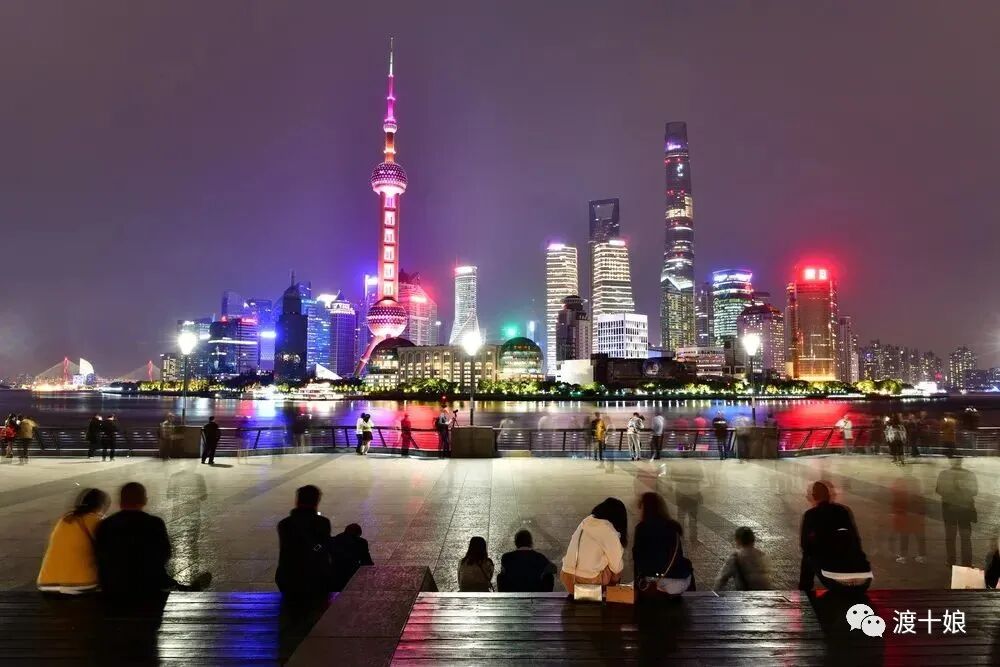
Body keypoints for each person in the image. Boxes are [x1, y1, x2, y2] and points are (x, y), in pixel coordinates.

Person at [96, 482, 210, 597]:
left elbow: (100, 557)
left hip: (114, 590)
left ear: (121, 502)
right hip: (149, 589)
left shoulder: (106, 525)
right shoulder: (154, 523)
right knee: (159, 575)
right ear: (144, 500)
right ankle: (187, 589)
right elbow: (165, 555)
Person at [797, 481, 872, 593]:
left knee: (808, 555)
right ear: (829, 496)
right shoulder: (843, 511)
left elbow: (805, 546)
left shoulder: (811, 515)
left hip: (837, 581)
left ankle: (804, 590)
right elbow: (856, 540)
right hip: (863, 580)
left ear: (813, 497)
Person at [37, 488, 110, 594]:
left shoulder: (65, 519)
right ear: (101, 505)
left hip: (46, 583)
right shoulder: (97, 521)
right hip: (81, 584)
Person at [276, 485, 334, 599]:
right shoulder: (322, 523)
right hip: (317, 577)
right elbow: (324, 548)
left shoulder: (285, 524)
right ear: (316, 501)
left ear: (297, 501)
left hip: (290, 577)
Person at [560, 498, 627, 592]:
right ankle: (610, 595)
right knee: (615, 567)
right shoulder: (609, 530)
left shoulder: (585, 522)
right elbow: (616, 568)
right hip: (589, 582)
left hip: (567, 578)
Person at [633, 492, 693, 597]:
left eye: (640, 507)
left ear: (645, 508)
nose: (638, 511)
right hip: (677, 584)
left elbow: (637, 559)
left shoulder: (641, 528)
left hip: (651, 583)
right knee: (687, 566)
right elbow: (680, 555)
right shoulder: (674, 526)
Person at [935, 458, 978, 567]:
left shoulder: (943, 474)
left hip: (949, 511)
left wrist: (950, 492)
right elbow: (975, 491)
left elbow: (938, 490)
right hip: (965, 511)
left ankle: (951, 561)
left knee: (951, 537)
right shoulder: (969, 474)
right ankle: (966, 563)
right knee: (965, 538)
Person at [889, 467, 927, 564]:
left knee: (904, 534)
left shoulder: (899, 481)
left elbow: (895, 496)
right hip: (915, 511)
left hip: (904, 511)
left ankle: (903, 556)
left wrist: (895, 511)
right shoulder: (916, 481)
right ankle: (922, 556)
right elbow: (920, 495)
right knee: (918, 534)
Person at [329, 523, 374, 592]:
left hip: (336, 572)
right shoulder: (361, 542)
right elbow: (366, 559)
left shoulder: (334, 540)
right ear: (358, 534)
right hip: (352, 572)